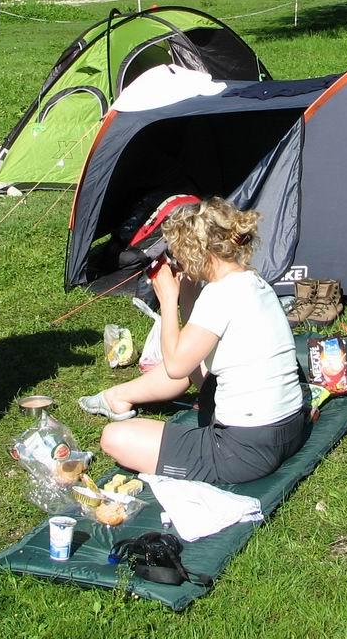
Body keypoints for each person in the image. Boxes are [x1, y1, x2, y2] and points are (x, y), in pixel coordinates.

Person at [78, 197, 309, 484]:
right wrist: (187, 288)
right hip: (289, 430)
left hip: (244, 451)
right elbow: (193, 345)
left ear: (193, 251)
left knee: (115, 438)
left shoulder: (219, 296)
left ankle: (118, 400)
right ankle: (119, 397)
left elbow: (175, 366)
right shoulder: (251, 282)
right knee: (194, 362)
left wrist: (167, 297)